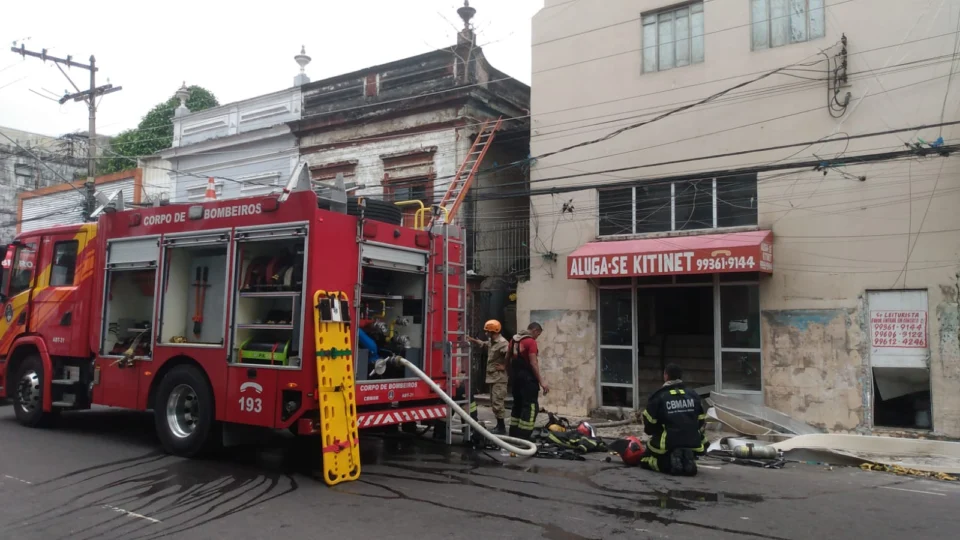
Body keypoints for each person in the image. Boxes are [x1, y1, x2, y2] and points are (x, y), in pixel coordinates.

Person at [639, 364, 708, 476]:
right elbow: (701, 420)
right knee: (695, 437)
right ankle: (686, 458)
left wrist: (657, 431)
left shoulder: (658, 396)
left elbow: (649, 425)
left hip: (667, 443)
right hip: (692, 441)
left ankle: (669, 463)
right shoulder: (693, 394)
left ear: (666, 376)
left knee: (644, 460)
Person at [506, 322, 549, 441]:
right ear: (535, 331)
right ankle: (524, 435)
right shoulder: (531, 342)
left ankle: (514, 433)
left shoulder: (513, 340)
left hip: (516, 379)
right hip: (528, 380)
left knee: (517, 405)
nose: (537, 337)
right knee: (530, 407)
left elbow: (507, 358)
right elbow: (533, 363)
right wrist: (542, 381)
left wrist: (509, 374)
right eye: (538, 335)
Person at [468, 320, 510, 434]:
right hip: (493, 378)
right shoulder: (492, 342)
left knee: (498, 402)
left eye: (488, 331)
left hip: (499, 379)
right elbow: (484, 344)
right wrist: (472, 340)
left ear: (493, 331)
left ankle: (501, 428)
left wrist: (505, 366)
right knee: (494, 402)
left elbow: (511, 354)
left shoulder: (503, 343)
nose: (486, 333)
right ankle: (499, 425)